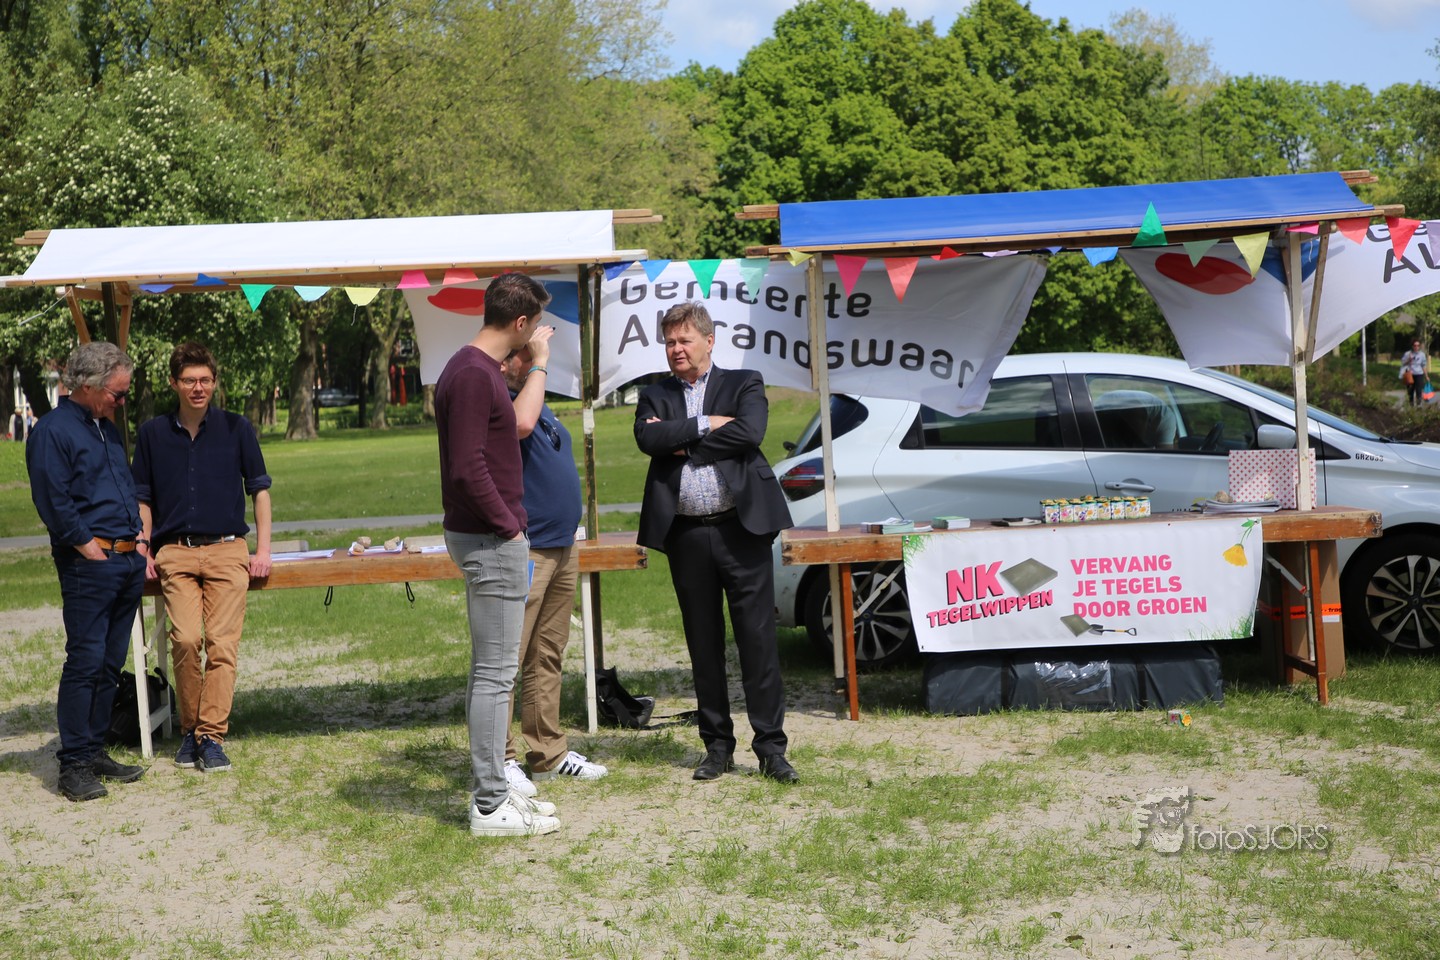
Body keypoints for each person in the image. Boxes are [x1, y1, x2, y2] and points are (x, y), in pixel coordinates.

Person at [633, 301, 799, 784]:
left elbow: (750, 432)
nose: (676, 349)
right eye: (669, 342)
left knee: (757, 642)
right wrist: (708, 423)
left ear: (709, 340)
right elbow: (648, 441)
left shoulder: (744, 382)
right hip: (686, 533)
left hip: (740, 530)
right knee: (702, 644)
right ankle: (717, 747)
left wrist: (679, 440)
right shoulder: (654, 394)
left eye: (684, 340)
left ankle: (771, 748)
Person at [436, 272, 561, 837]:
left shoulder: (477, 369)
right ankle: (490, 803)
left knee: (490, 671)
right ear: (521, 322)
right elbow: (467, 468)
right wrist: (509, 527)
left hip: (489, 537)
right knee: (496, 674)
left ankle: (497, 789)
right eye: (535, 324)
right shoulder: (471, 373)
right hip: (491, 540)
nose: (536, 334)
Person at [131, 342, 272, 774]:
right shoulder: (152, 434)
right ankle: (191, 730)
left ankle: (210, 737)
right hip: (175, 552)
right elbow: (142, 499)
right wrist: (143, 547)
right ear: (174, 383)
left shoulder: (237, 428)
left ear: (214, 382)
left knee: (223, 645)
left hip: (228, 549)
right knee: (187, 640)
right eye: (190, 380)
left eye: (205, 380)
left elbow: (259, 490)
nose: (198, 388)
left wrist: (263, 550)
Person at [25, 341, 147, 802]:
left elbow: (122, 487)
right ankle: (73, 764)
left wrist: (139, 542)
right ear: (89, 386)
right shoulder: (52, 432)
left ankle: (94, 750)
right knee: (85, 661)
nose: (122, 402)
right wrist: (88, 548)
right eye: (117, 394)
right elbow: (53, 500)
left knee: (109, 664)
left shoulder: (105, 428)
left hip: (126, 560)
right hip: (89, 564)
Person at [498, 326, 607, 799]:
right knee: (507, 657)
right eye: (526, 353)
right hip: (528, 549)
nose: (536, 360)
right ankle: (501, 759)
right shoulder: (505, 400)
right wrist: (538, 363)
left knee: (547, 653)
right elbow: (519, 427)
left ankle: (547, 754)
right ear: (506, 360)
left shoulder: (536, 398)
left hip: (561, 545)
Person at [1400, 339, 1429, 407]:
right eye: (1415, 345)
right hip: (1410, 374)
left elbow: (1423, 365)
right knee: (1410, 392)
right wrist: (1408, 360)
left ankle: (1419, 406)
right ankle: (1411, 406)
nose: (1416, 347)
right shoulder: (1408, 354)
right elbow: (1403, 363)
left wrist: (1426, 376)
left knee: (1419, 391)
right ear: (1412, 346)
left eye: (1418, 345)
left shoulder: (1422, 355)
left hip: (1419, 374)